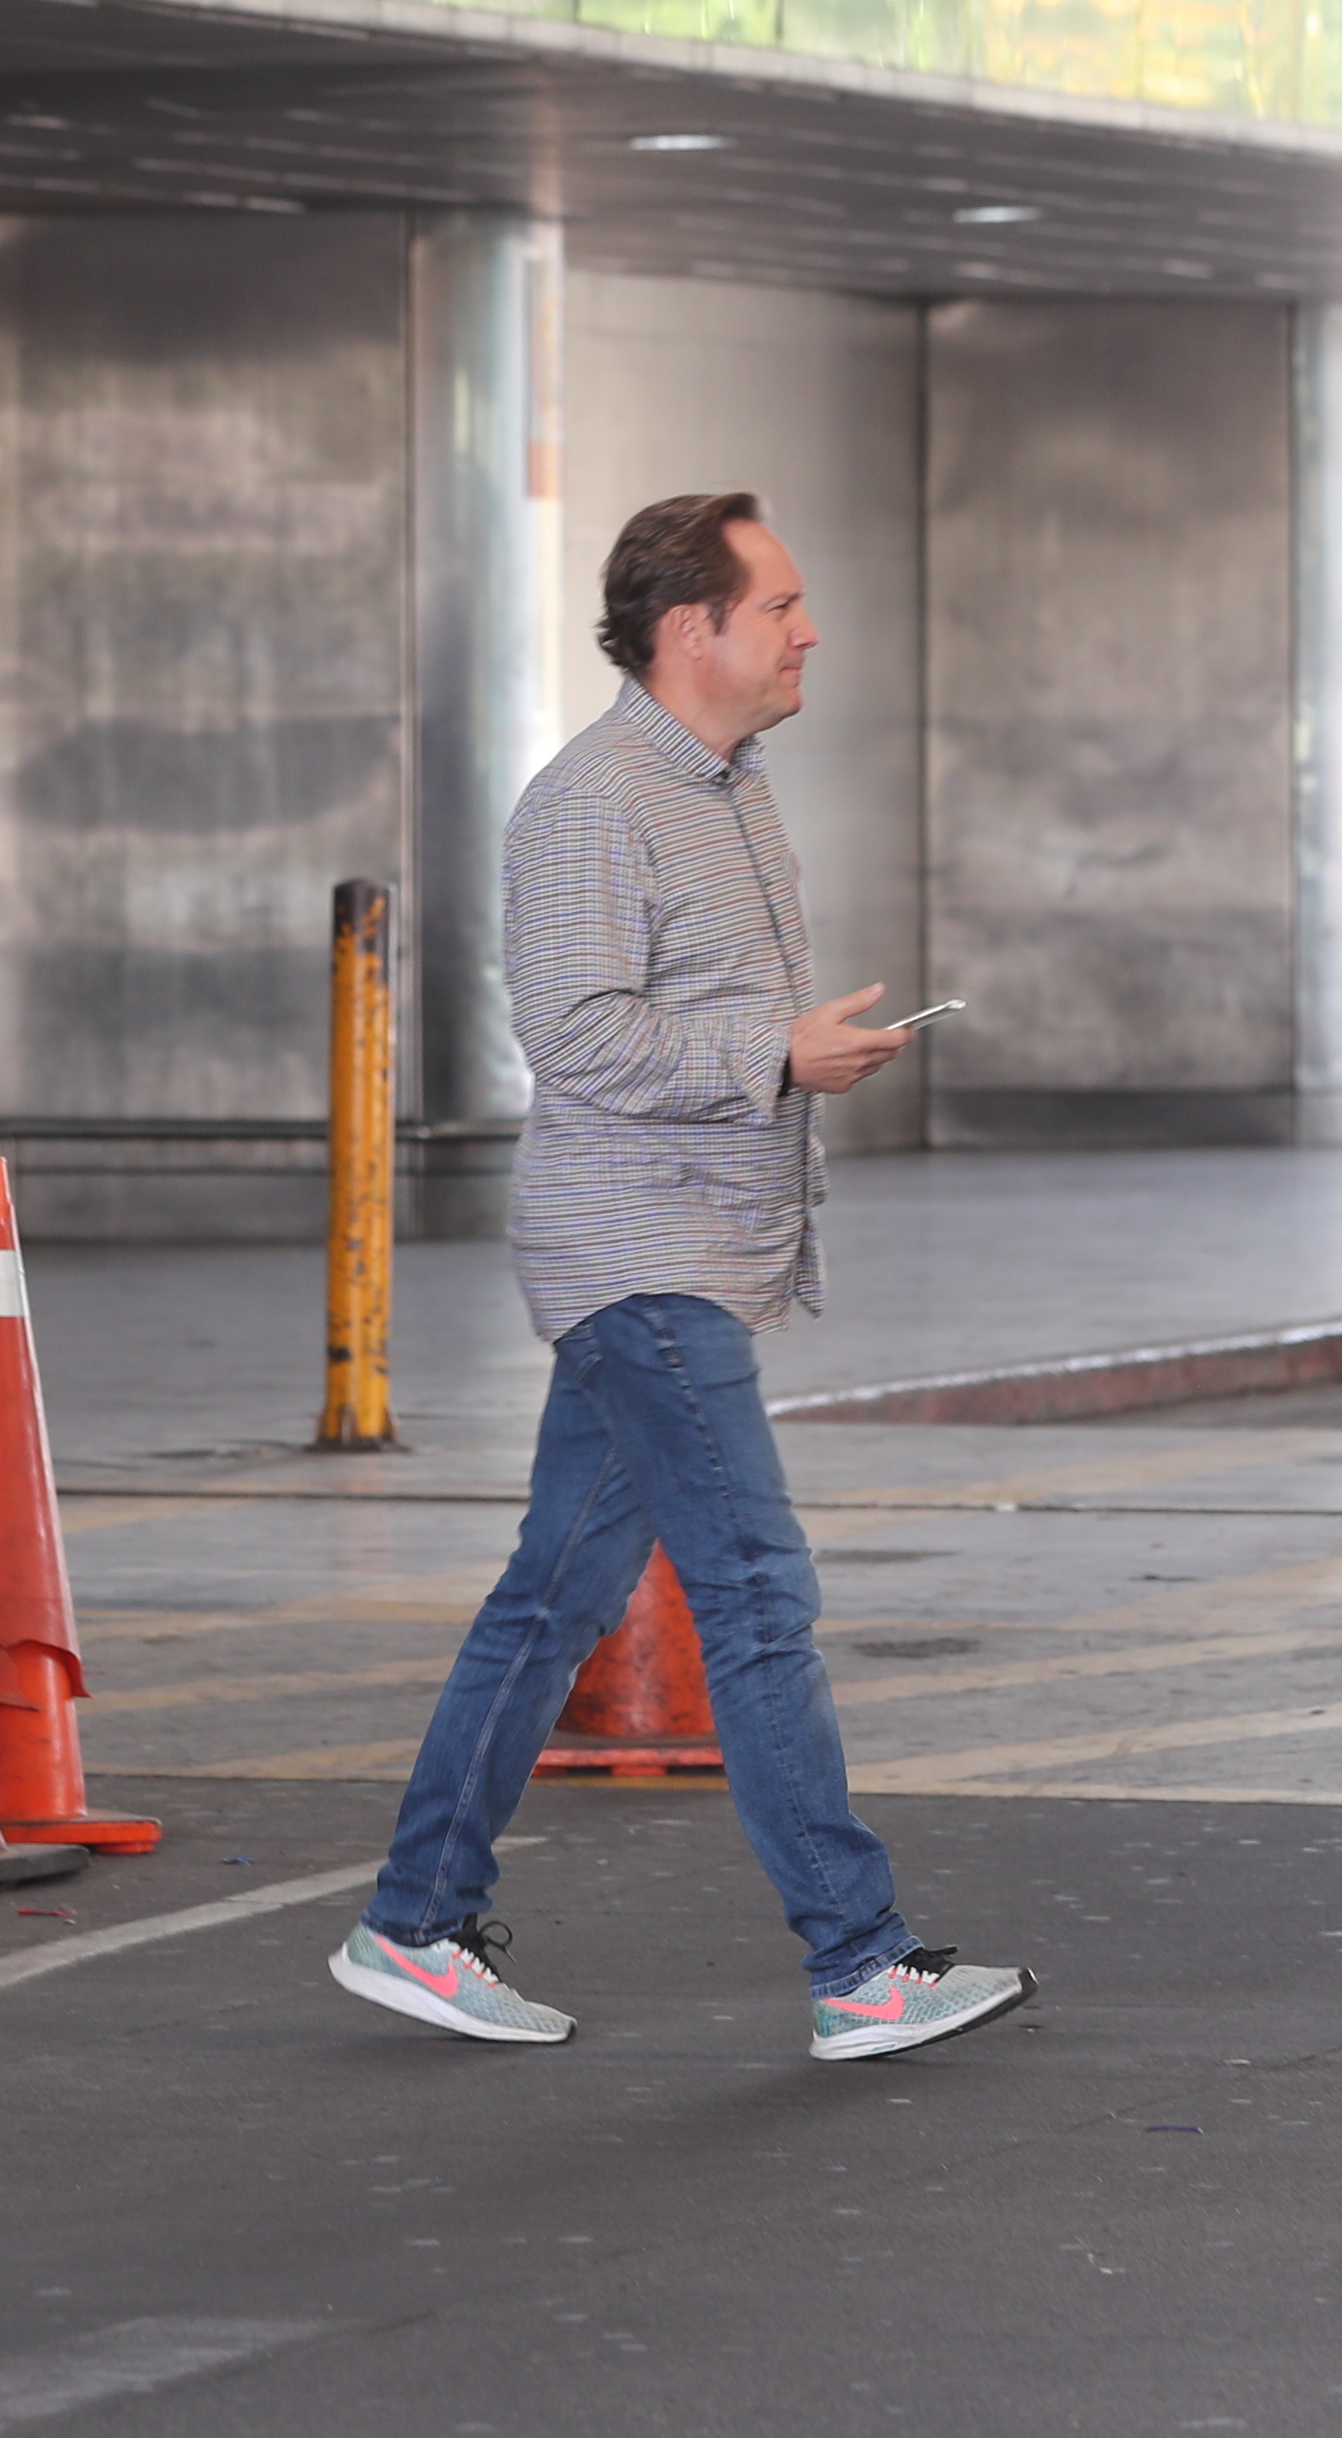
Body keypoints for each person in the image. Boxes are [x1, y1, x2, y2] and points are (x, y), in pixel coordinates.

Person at [329, 490, 1033, 2065]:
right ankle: (858, 1966)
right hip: (637, 1261)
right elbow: (574, 1039)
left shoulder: (730, 787)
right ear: (687, 628)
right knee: (757, 1590)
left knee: (554, 1596)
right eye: (779, 604)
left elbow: (696, 1025)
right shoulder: (591, 806)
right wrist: (776, 1054)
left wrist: (790, 1057)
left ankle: (412, 1922)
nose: (808, 630)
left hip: (696, 1250)